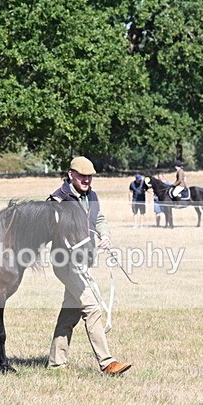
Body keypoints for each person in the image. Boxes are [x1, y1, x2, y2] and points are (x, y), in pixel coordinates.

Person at [46, 156, 131, 376]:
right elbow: (53, 230)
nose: (87, 180)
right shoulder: (57, 200)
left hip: (84, 262)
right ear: (71, 174)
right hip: (65, 263)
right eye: (83, 176)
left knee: (69, 314)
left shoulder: (91, 195)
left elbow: (99, 218)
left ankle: (56, 363)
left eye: (90, 176)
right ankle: (107, 363)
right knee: (92, 308)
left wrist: (105, 235)